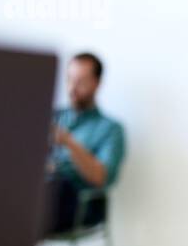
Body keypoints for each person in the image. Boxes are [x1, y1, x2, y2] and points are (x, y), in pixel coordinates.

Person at [43, 52, 126, 235]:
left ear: (96, 83)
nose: (72, 88)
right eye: (69, 80)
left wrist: (68, 142)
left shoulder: (110, 129)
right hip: (45, 194)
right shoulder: (54, 116)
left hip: (81, 204)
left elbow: (101, 177)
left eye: (81, 82)